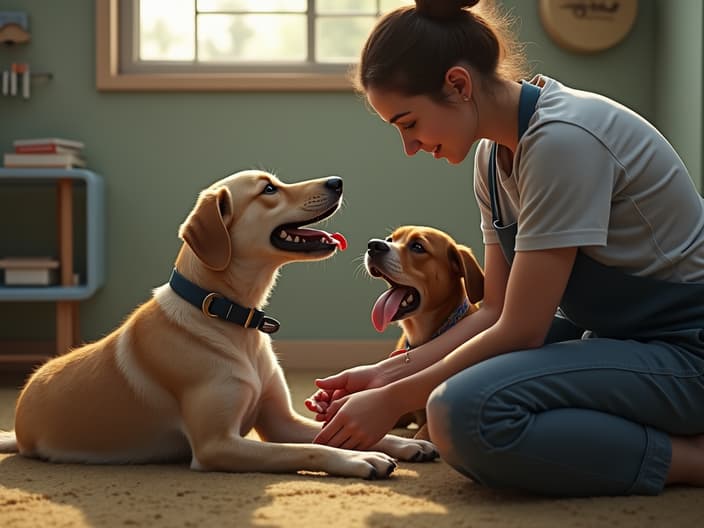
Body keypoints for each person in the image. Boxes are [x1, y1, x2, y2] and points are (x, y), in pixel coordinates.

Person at [305, 0, 704, 497]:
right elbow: (494, 310)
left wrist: (392, 400)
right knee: (465, 386)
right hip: (623, 339)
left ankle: (691, 458)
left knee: (460, 411)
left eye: (408, 123)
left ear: (458, 84)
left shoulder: (564, 141)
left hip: (688, 353)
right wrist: (381, 374)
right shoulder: (493, 158)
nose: (408, 145)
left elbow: (523, 330)